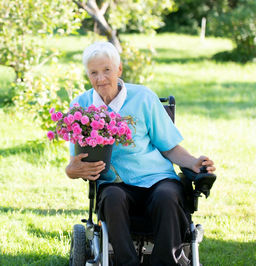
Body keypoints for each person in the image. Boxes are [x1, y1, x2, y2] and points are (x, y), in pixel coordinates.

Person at [65, 41, 216, 266]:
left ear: (119, 70)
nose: (100, 78)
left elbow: (168, 146)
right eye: (93, 73)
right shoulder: (81, 106)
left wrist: (193, 162)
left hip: (157, 178)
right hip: (114, 184)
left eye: (107, 70)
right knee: (112, 198)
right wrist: (71, 170)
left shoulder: (144, 98)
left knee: (168, 196)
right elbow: (76, 160)